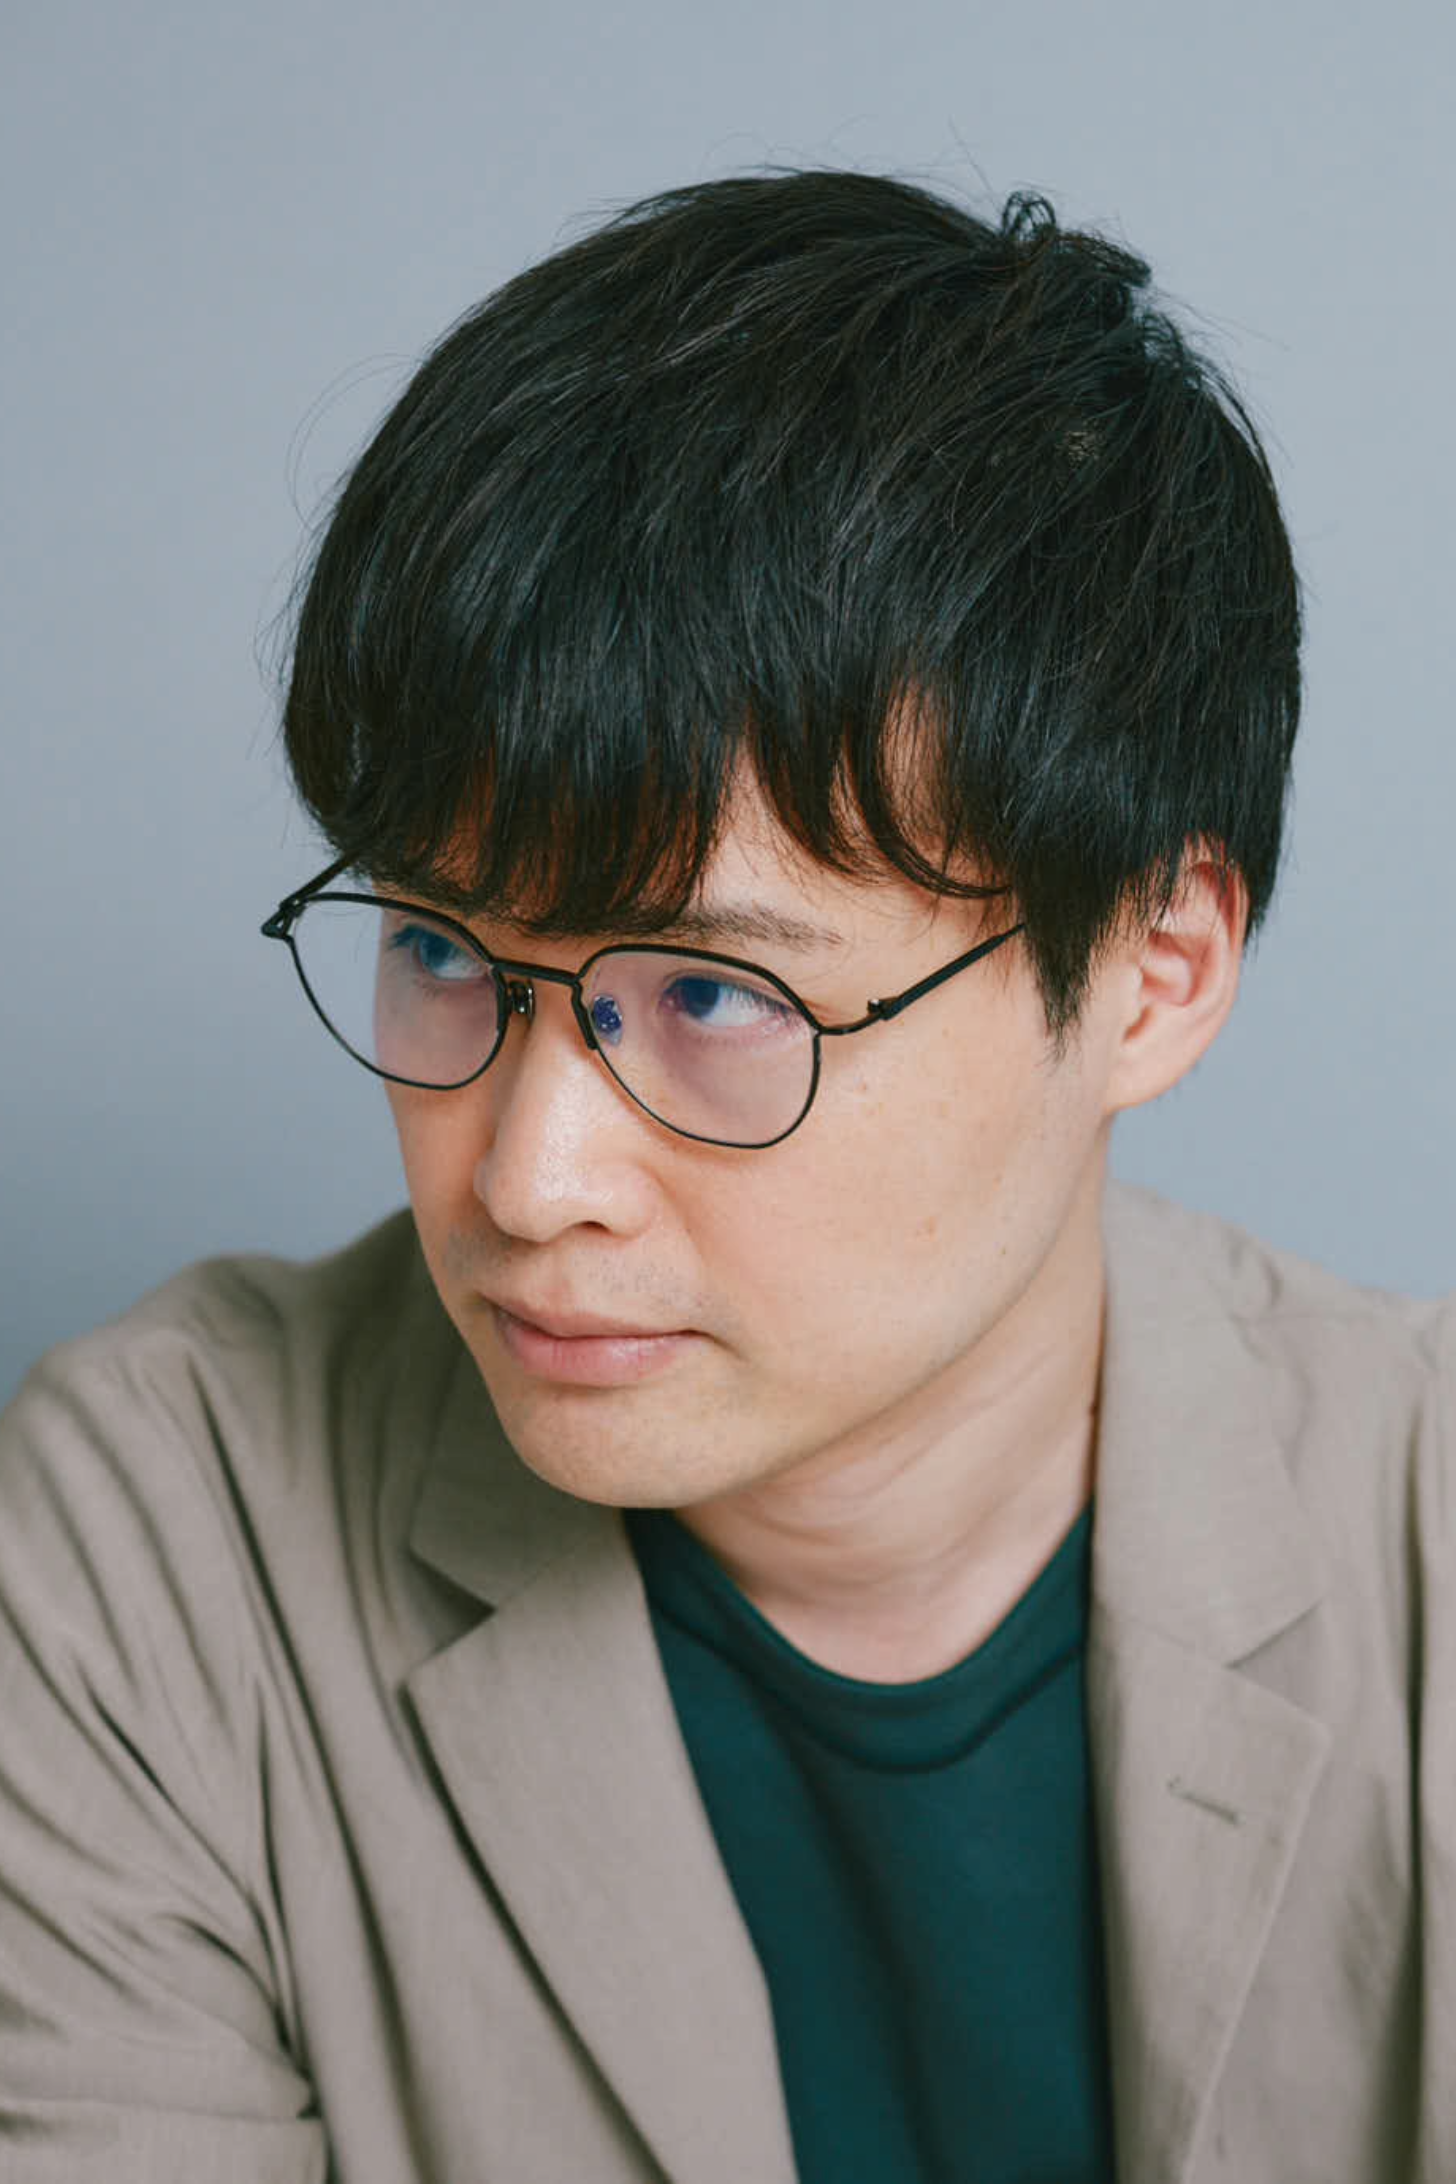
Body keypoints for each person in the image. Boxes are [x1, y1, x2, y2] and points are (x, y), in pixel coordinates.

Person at [0, 168, 1449, 2184]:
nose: (528, 1178)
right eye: (441, 953)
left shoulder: (1421, 1532)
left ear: (1151, 972)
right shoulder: (155, 1554)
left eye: (711, 996)